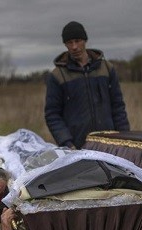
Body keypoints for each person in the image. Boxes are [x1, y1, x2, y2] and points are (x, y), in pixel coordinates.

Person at [45, 21, 130, 149]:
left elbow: (118, 106)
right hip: (78, 147)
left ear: (85, 40)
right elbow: (52, 114)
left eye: (78, 41)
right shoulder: (57, 76)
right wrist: (67, 143)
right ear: (65, 45)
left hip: (110, 144)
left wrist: (125, 138)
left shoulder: (106, 68)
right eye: (69, 43)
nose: (74, 47)